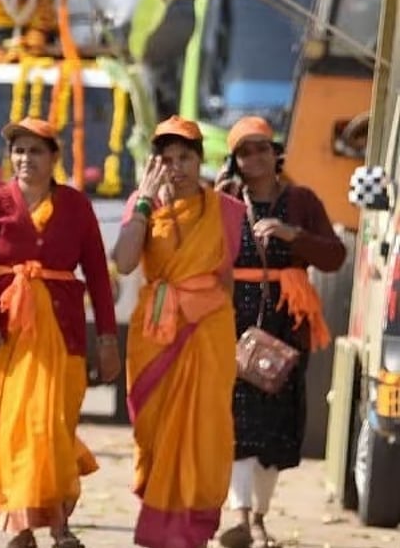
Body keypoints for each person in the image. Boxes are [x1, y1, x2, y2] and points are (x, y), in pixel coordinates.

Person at [0, 117, 120, 548]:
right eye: (19, 151)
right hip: (2, 337)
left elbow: (99, 277)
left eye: (35, 151)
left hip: (62, 333)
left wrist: (107, 338)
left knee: (53, 425)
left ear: (54, 158)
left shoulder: (76, 206)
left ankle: (61, 525)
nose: (25, 159)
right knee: (12, 428)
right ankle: (20, 524)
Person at [111, 116, 245, 548]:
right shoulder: (143, 204)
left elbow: (226, 276)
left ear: (199, 158)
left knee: (206, 430)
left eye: (185, 156)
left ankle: (191, 532)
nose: (176, 166)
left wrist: (202, 308)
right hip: (156, 334)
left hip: (209, 332)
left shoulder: (226, 209)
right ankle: (160, 520)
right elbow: (126, 261)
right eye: (166, 158)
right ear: (154, 163)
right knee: (152, 432)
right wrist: (146, 204)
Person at [212, 117, 346, 548]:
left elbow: (334, 256)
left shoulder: (302, 200)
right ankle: (241, 516)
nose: (254, 158)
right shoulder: (226, 200)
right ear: (234, 161)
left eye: (261, 148)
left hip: (288, 324)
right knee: (238, 420)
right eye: (244, 152)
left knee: (274, 424)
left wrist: (293, 235)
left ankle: (259, 517)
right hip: (233, 324)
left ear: (275, 152)